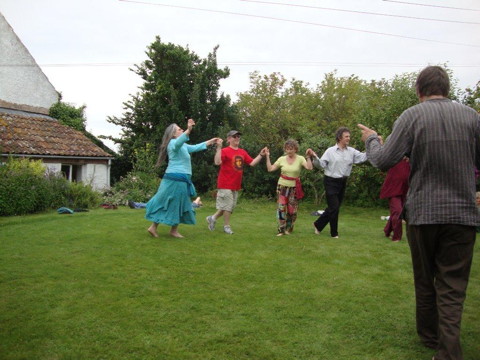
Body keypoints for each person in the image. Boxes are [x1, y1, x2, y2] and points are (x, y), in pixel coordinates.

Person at [358, 66, 480, 360]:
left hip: (424, 214)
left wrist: (372, 139)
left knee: (425, 279)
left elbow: (383, 161)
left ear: (418, 90)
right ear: (447, 88)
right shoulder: (472, 118)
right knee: (452, 285)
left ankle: (436, 342)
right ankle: (436, 340)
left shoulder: (412, 116)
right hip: (463, 214)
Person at [145, 119, 220, 238]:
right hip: (175, 179)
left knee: (178, 204)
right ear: (174, 134)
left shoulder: (183, 145)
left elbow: (195, 147)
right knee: (168, 203)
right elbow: (179, 142)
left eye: (181, 129)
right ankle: (154, 227)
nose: (181, 130)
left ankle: (172, 230)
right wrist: (189, 129)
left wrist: (211, 141)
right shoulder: (173, 144)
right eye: (179, 129)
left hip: (182, 179)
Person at [306, 127, 367, 238]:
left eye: (349, 136)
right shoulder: (330, 151)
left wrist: (373, 147)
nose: (349, 138)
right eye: (346, 136)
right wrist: (314, 157)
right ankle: (334, 233)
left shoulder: (351, 151)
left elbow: (363, 157)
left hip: (342, 182)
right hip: (330, 181)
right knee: (334, 207)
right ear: (340, 138)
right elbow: (321, 165)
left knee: (334, 207)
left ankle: (318, 225)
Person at [206, 130, 267, 235]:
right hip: (225, 183)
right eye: (234, 136)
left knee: (228, 207)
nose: (237, 138)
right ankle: (226, 226)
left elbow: (252, 163)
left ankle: (212, 218)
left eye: (238, 136)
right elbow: (217, 162)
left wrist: (261, 155)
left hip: (235, 185)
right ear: (229, 139)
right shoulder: (225, 151)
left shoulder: (242, 152)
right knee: (228, 206)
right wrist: (219, 148)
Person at [265, 139, 313, 236]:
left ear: (295, 149)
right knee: (281, 208)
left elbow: (309, 168)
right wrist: (267, 156)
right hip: (282, 186)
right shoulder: (281, 159)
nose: (289, 151)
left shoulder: (300, 159)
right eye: (287, 149)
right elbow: (270, 169)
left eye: (291, 149)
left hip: (294, 188)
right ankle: (281, 229)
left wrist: (308, 157)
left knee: (292, 210)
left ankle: (289, 228)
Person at [380, 157, 410, 242]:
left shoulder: (410, 157)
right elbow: (382, 159)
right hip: (393, 189)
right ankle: (397, 237)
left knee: (396, 212)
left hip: (404, 189)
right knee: (398, 211)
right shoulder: (394, 156)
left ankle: (387, 231)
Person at [129, 197, 202, 209]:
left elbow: (198, 197)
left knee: (153, 205)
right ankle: (136, 205)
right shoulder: (192, 204)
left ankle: (136, 205)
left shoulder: (194, 204)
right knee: (152, 205)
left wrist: (197, 201)